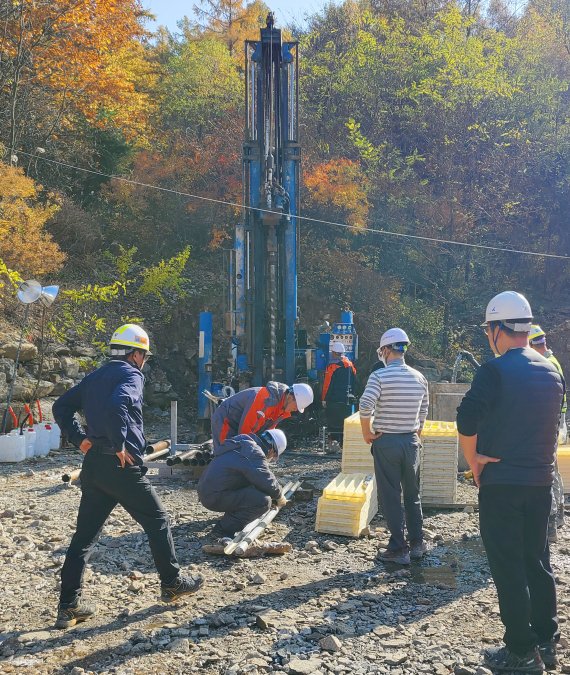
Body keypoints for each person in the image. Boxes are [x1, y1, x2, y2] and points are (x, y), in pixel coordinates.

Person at [53, 324, 204, 629]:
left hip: (94, 466)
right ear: (136, 354)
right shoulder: (131, 374)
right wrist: (120, 444)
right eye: (144, 356)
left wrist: (80, 438)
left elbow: (61, 406)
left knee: (83, 538)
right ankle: (172, 582)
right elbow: (117, 405)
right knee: (158, 520)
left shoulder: (95, 376)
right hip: (120, 467)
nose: (144, 362)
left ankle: (68, 606)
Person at [456, 292, 564, 672]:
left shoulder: (495, 370)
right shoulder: (552, 370)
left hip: (502, 484)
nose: (489, 336)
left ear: (499, 329)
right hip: (541, 483)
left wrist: (474, 460)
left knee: (508, 567)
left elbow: (466, 419)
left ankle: (521, 652)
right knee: (537, 560)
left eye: (489, 329)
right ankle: (547, 644)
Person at [359, 328, 429, 565]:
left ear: (387, 350)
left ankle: (399, 548)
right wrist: (415, 432)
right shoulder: (420, 377)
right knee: (412, 494)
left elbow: (366, 404)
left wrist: (366, 432)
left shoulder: (379, 376)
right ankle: (418, 543)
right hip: (411, 442)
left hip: (386, 442)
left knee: (390, 495)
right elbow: (423, 411)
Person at [198, 429, 288, 538]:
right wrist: (279, 496)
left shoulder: (242, 444)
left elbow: (257, 479)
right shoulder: (253, 452)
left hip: (207, 490)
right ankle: (222, 529)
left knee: (255, 489)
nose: (270, 458)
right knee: (263, 501)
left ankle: (231, 518)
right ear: (272, 450)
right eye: (273, 457)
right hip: (214, 496)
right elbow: (265, 480)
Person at [529, 324, 567, 541]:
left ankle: (550, 526)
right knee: (553, 469)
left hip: (548, 425)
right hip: (555, 423)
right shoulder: (553, 362)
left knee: (548, 472)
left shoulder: (545, 364)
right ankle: (559, 516)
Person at [211, 381, 313, 449]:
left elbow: (266, 433)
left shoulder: (280, 408)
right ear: (290, 397)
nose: (295, 410)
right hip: (226, 420)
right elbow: (245, 433)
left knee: (239, 456)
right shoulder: (265, 400)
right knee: (225, 453)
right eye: (296, 406)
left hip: (238, 423)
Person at [321, 341, 357, 445]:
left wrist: (324, 399)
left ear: (334, 353)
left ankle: (333, 444)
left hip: (333, 401)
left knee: (333, 425)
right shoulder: (350, 365)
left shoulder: (332, 367)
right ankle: (343, 445)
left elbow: (327, 385)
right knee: (344, 425)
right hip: (346, 401)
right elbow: (355, 382)